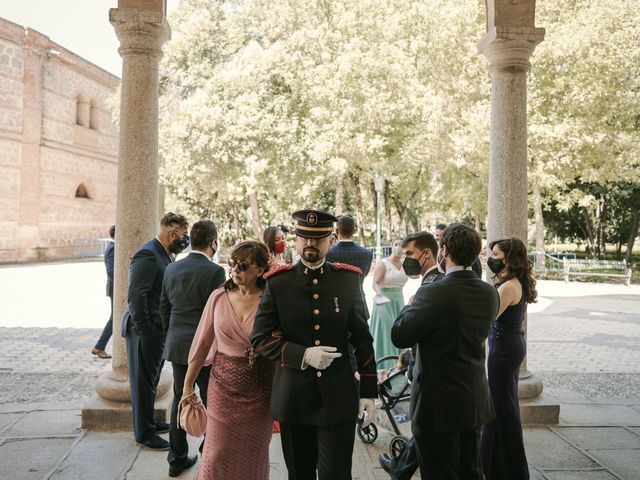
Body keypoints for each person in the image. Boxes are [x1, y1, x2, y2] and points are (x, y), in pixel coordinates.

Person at [252, 209, 377, 480]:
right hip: (294, 398)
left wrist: (368, 390)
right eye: (304, 238)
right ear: (296, 240)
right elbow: (260, 338)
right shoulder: (278, 282)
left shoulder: (347, 279)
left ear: (330, 240)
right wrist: (303, 354)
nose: (310, 244)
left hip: (339, 396)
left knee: (337, 474)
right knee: (300, 474)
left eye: (318, 239)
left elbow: (362, 338)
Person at [391, 223, 499, 480]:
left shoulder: (432, 292)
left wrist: (412, 304)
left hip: (437, 404)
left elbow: (399, 335)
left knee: (439, 472)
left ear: (444, 250)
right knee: (470, 470)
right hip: (473, 399)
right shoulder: (489, 292)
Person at [183, 241, 273, 479]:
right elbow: (202, 343)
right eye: (232, 263)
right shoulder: (218, 297)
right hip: (222, 388)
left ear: (261, 271)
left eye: (243, 265)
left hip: (261, 389)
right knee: (217, 453)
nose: (235, 269)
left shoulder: (271, 300)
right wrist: (187, 385)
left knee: (254, 455)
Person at [160, 220, 226, 477]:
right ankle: (208, 452)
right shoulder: (214, 272)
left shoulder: (172, 268)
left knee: (180, 397)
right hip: (207, 348)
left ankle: (176, 458)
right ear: (213, 242)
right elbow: (218, 315)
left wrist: (173, 335)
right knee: (211, 399)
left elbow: (164, 308)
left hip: (178, 346)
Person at [121, 212, 190, 450]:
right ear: (172, 232)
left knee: (150, 381)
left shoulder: (164, 254)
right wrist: (147, 330)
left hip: (156, 330)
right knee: (142, 382)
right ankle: (144, 433)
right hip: (144, 331)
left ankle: (149, 422)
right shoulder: (148, 254)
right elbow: (136, 296)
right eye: (183, 235)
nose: (183, 240)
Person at [378, 231, 443, 480]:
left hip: (429, 373)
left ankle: (401, 469)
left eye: (409, 254)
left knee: (424, 429)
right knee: (425, 431)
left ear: (427, 253)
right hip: (427, 367)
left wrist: (409, 306)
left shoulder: (431, 286)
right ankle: (401, 468)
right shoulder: (434, 282)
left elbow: (404, 333)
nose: (406, 259)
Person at [480, 237, 537, 480]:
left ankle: (500, 467)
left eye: (495, 255)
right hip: (510, 345)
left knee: (498, 407)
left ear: (509, 258)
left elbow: (487, 318)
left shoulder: (508, 287)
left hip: (503, 349)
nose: (491, 259)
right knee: (505, 404)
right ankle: (505, 465)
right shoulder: (515, 281)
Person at [369, 238, 408, 369]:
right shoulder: (384, 263)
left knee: (399, 331)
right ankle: (384, 365)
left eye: (401, 245)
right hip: (384, 301)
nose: (398, 247)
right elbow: (375, 282)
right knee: (386, 332)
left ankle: (399, 365)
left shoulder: (404, 264)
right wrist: (379, 293)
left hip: (398, 301)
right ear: (391, 246)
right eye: (396, 244)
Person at [326, 214, 373, 284]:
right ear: (354, 231)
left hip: (335, 294)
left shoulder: (327, 254)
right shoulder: (367, 254)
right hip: (357, 294)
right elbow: (363, 275)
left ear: (336, 231)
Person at [92, 224, 115, 359]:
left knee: (115, 318)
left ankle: (100, 346)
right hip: (115, 289)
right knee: (115, 318)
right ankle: (99, 346)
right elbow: (111, 271)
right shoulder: (112, 249)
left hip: (115, 288)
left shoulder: (114, 247)